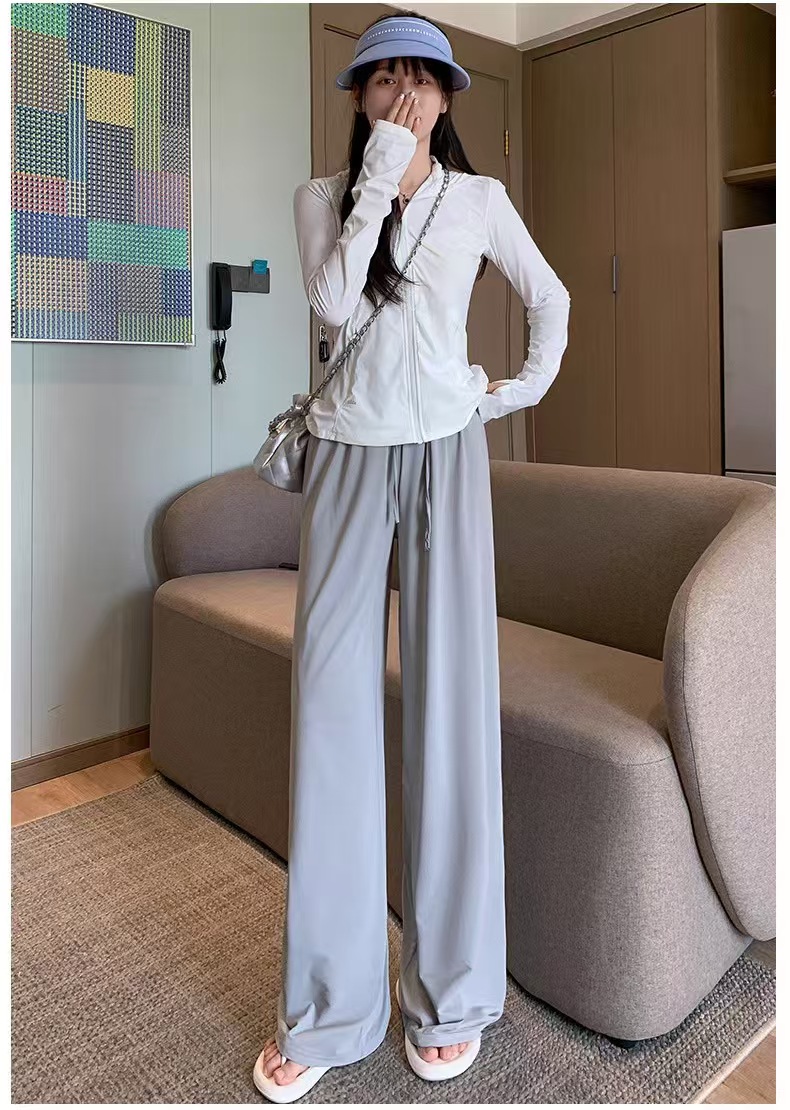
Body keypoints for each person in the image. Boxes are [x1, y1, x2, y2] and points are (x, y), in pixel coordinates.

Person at [253, 10, 571, 1103]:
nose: (403, 94)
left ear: (446, 95)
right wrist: (381, 170)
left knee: (451, 712)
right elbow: (334, 303)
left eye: (420, 80)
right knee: (330, 712)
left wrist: (506, 395)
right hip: (345, 459)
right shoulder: (320, 198)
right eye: (382, 79)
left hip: (446, 455)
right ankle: (329, 1007)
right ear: (357, 97)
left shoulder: (479, 200)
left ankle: (452, 994)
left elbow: (550, 298)